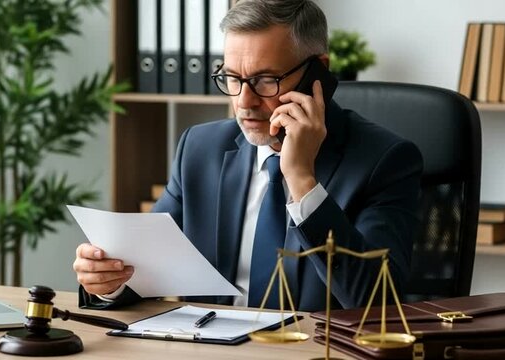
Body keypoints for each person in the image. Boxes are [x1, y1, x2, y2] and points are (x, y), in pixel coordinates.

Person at [73, 0, 422, 312]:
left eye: (265, 80)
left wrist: (302, 180)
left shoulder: (385, 160)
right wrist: (109, 282)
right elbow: (145, 270)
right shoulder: (200, 148)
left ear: (318, 71)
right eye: (232, 78)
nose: (244, 102)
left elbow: (378, 307)